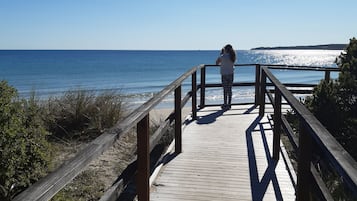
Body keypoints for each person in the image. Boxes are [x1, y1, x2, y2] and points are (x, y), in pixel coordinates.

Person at [216, 44, 236, 110]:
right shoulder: (232, 56)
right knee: (230, 89)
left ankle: (225, 103)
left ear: (225, 50)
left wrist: (222, 53)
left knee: (225, 89)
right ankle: (229, 104)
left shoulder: (222, 56)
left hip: (224, 74)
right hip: (231, 74)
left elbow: (217, 63)